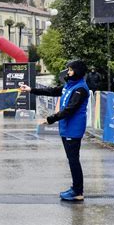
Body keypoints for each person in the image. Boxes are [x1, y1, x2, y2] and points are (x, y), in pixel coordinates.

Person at [20, 60, 89, 201]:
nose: (68, 72)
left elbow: (70, 109)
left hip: (73, 129)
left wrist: (50, 119)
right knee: (72, 160)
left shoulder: (80, 89)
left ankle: (78, 191)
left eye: (70, 70)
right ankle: (76, 188)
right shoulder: (69, 85)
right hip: (66, 127)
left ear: (77, 71)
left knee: (74, 160)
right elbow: (51, 91)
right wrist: (31, 90)